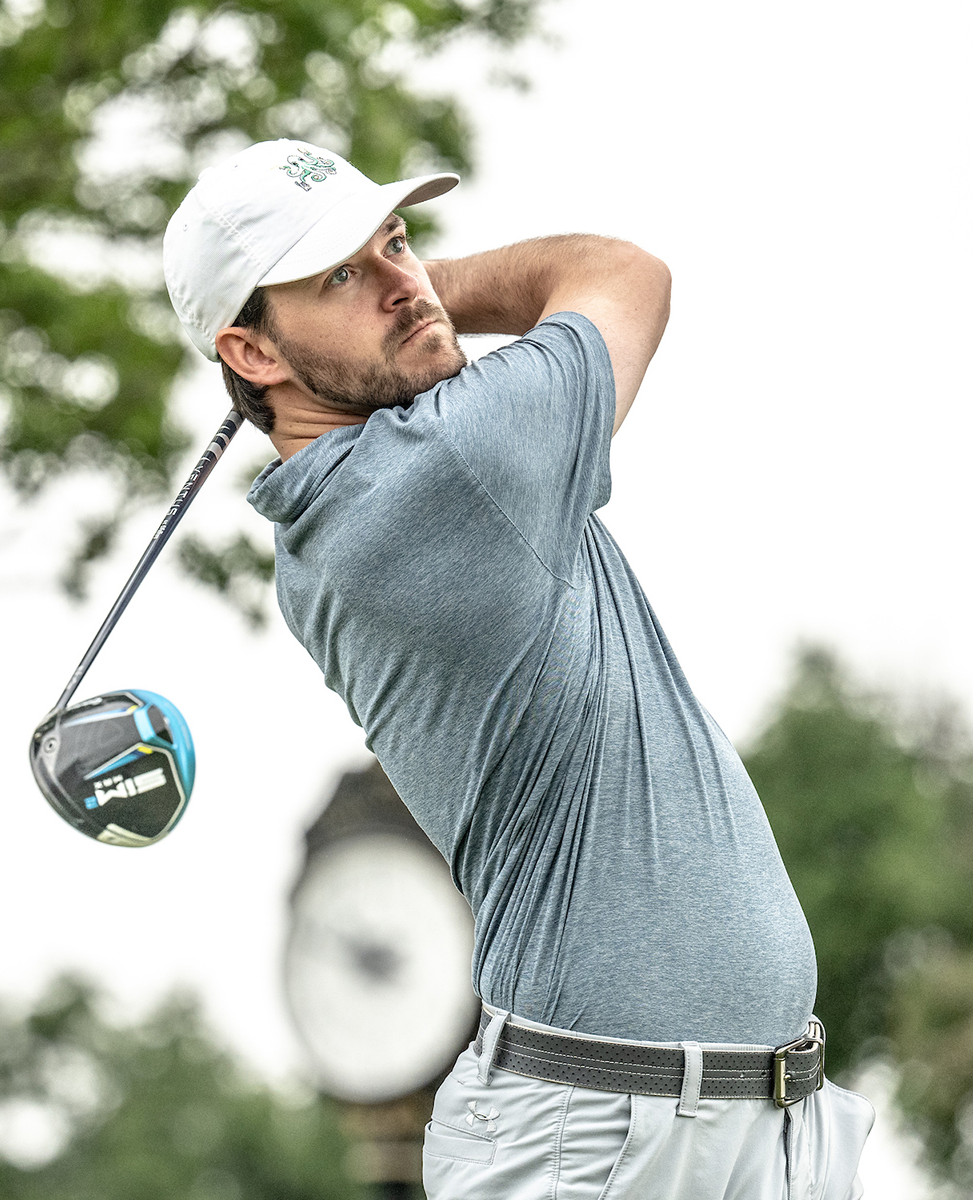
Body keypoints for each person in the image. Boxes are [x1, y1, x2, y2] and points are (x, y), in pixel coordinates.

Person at [162, 140, 875, 1197]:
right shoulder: (448, 471)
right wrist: (439, 294)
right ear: (252, 352)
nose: (402, 281)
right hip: (607, 1139)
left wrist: (387, 299)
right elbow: (624, 272)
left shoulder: (340, 511)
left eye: (397, 242)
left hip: (725, 1122)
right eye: (341, 274)